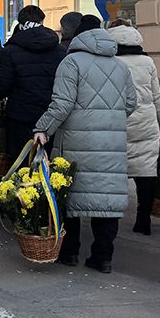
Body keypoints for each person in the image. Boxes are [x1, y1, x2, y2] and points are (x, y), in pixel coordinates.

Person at [33, 15, 137, 274]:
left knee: (70, 197)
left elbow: (63, 103)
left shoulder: (71, 62)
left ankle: (69, 252)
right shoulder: (121, 67)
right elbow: (131, 103)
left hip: (76, 141)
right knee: (107, 199)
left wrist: (43, 128)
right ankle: (103, 258)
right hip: (111, 142)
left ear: (78, 36)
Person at [0, 6, 64, 210]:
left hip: (20, 116)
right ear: (43, 21)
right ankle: (44, 207)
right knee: (47, 163)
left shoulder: (11, 50)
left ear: (19, 24)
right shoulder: (59, 50)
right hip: (50, 117)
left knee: (20, 164)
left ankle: (21, 208)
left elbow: (1, 86)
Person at [109, 19, 160, 236]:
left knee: (115, 171)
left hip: (118, 122)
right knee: (146, 173)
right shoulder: (148, 62)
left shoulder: (110, 61)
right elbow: (157, 96)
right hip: (146, 124)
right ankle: (143, 219)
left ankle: (110, 220)